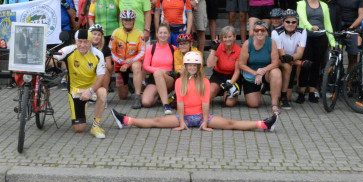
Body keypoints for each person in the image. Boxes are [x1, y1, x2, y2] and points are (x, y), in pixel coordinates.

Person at [112, 51, 277, 132]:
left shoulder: (204, 81)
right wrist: (182, 122)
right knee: (156, 121)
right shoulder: (179, 81)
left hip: (201, 117)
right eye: (189, 65)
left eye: (194, 65)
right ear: (185, 66)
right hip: (183, 117)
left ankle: (263, 124)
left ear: (198, 67)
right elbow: (181, 103)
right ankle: (125, 120)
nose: (191, 68)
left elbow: (206, 103)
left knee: (230, 124)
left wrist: (205, 122)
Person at [51, 28, 109, 138]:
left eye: (86, 42)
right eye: (80, 41)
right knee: (79, 129)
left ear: (91, 41)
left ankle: (95, 126)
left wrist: (90, 91)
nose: (82, 45)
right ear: (76, 41)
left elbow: (101, 77)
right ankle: (82, 110)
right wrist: (45, 60)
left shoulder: (98, 54)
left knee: (103, 92)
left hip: (91, 90)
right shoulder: (69, 50)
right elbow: (54, 57)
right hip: (75, 91)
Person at [295, 0, 335, 103]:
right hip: (306, 37)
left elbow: (327, 24)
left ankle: (312, 92)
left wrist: (332, 41)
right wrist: (310, 27)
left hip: (321, 37)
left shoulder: (324, 5)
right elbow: (302, 18)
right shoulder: (301, 4)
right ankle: (301, 92)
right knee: (305, 64)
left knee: (316, 65)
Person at [235, 20, 284, 112]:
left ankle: (274, 103)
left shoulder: (271, 42)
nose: (260, 32)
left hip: (266, 73)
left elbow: (275, 63)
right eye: (257, 30)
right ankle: (259, 90)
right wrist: (255, 73)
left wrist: (262, 71)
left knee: (276, 72)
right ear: (253, 32)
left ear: (266, 32)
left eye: (263, 30)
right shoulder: (247, 43)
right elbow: (241, 64)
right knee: (253, 104)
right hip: (251, 74)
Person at [138, 24, 178, 109]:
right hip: (154, 77)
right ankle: (161, 95)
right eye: (160, 33)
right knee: (146, 102)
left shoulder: (173, 48)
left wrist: (167, 72)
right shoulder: (151, 48)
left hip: (168, 78)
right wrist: (159, 70)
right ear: (156, 34)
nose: (162, 35)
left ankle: (166, 105)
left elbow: (177, 66)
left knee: (158, 74)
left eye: (165, 33)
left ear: (169, 34)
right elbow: (145, 66)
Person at [109, 10, 146, 102]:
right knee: (123, 96)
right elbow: (111, 51)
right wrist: (121, 62)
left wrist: (128, 63)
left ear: (134, 21)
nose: (128, 22)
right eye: (125, 20)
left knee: (137, 66)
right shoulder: (116, 33)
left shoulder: (139, 33)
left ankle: (137, 96)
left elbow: (142, 52)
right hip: (119, 64)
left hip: (132, 62)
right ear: (122, 21)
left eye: (130, 20)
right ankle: (128, 83)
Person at [272, 9, 306, 107]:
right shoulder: (276, 32)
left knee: (289, 97)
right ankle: (281, 96)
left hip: (291, 59)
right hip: (278, 60)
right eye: (287, 21)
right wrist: (300, 63)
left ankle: (284, 96)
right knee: (287, 66)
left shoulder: (302, 31)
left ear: (297, 22)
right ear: (283, 22)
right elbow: (282, 56)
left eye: (293, 22)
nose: (290, 24)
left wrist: (291, 58)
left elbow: (300, 53)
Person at [206, 25, 241, 104]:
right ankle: (218, 90)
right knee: (208, 94)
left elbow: (237, 71)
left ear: (234, 37)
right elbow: (209, 65)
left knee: (229, 103)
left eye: (230, 37)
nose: (227, 39)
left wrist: (231, 83)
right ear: (222, 39)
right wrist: (213, 50)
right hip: (218, 76)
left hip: (232, 77)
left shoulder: (239, 50)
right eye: (225, 37)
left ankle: (226, 93)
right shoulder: (218, 47)